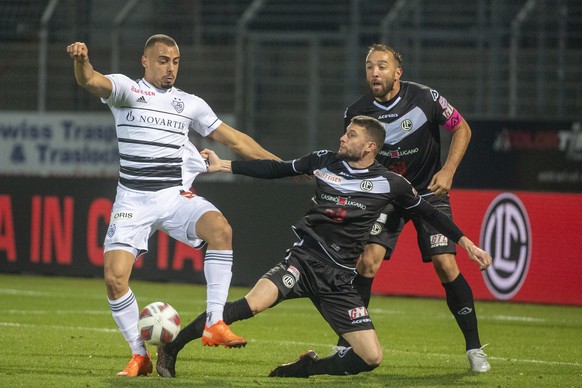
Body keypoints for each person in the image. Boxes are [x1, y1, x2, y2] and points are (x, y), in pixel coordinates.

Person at [155, 115, 492, 378]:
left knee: (371, 358)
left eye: (352, 135)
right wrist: (225, 165)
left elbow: (429, 211)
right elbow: (278, 168)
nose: (343, 138)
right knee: (251, 305)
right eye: (345, 133)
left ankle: (306, 369)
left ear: (371, 146)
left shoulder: (392, 184)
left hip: (340, 281)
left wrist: (465, 242)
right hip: (303, 262)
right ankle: (173, 348)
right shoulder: (324, 161)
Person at [66, 34, 279, 377]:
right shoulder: (126, 91)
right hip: (133, 200)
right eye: (163, 60)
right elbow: (90, 80)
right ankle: (140, 356)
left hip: (172, 196)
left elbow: (235, 139)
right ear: (145, 61)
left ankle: (215, 323)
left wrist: (281, 166)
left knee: (221, 229)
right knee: (114, 278)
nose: (170, 68)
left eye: (176, 62)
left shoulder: (189, 103)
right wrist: (80, 61)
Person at [341, 43, 490, 372]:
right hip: (386, 195)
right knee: (367, 262)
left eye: (381, 66)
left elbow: (462, 128)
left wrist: (448, 170)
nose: (374, 72)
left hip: (427, 193)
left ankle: (474, 348)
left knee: (445, 264)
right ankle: (346, 345)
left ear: (398, 72)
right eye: (369, 67)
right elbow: (351, 157)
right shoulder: (357, 112)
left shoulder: (426, 98)